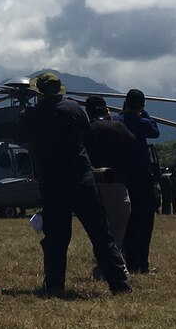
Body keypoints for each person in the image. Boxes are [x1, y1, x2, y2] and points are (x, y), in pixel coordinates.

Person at [17, 75, 130, 296]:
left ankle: (54, 285)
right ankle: (119, 284)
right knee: (101, 234)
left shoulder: (28, 115)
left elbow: (23, 138)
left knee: (56, 239)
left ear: (38, 93)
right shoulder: (73, 109)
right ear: (60, 91)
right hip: (81, 178)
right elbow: (87, 137)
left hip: (51, 182)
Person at [84, 96, 135, 274]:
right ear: (106, 110)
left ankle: (110, 267)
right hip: (119, 186)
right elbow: (132, 147)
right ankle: (115, 265)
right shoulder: (120, 128)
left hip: (95, 186)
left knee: (100, 231)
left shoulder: (88, 130)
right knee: (117, 230)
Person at [114, 88, 159, 274]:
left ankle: (128, 261)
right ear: (142, 105)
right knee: (145, 221)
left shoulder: (117, 121)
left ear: (125, 103)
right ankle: (142, 263)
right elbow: (155, 131)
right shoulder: (143, 122)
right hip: (142, 177)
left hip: (122, 177)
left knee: (127, 221)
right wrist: (145, 113)